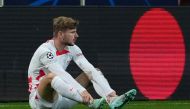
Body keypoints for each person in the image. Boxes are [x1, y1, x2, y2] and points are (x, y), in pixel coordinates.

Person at [28, 16, 137, 109]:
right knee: (51, 76)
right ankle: (92, 103)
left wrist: (110, 92)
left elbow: (88, 68)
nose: (76, 36)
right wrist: (81, 90)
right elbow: (61, 74)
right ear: (61, 34)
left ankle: (112, 99)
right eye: (72, 32)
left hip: (64, 98)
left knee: (93, 71)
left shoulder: (73, 48)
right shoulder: (45, 51)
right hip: (41, 102)